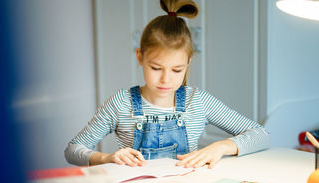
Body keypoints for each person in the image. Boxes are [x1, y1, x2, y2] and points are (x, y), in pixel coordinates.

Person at [65, 0, 270, 169]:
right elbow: (73, 150)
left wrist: (221, 146)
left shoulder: (197, 101)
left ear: (188, 62)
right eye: (156, 68)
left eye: (177, 70)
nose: (166, 79)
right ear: (140, 57)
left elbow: (261, 135)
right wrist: (107, 158)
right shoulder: (121, 103)